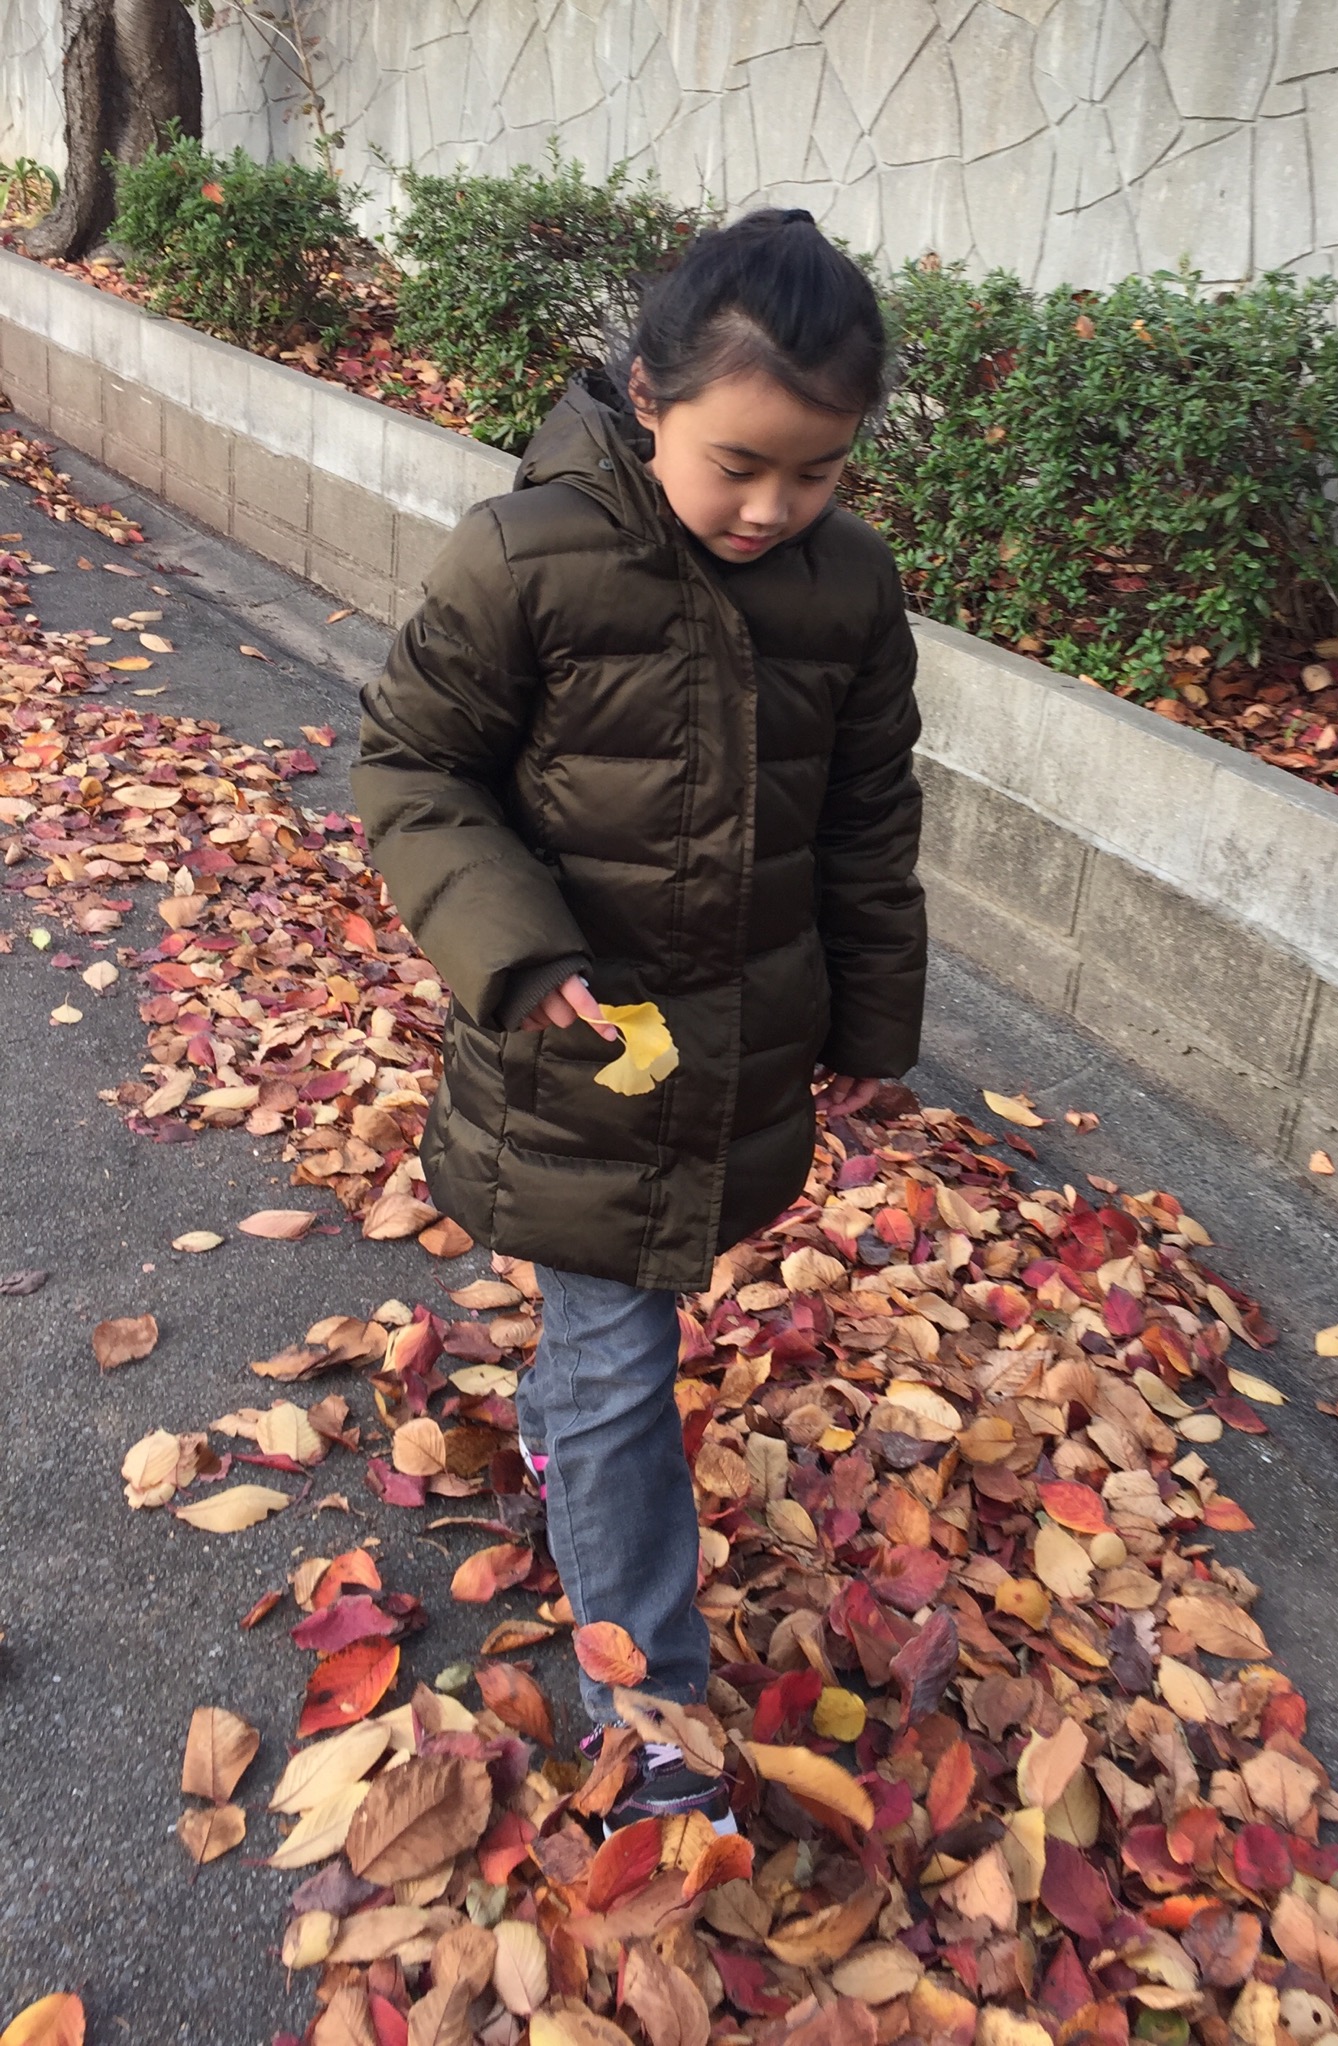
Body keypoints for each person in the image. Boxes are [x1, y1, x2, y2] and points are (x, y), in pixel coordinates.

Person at [353, 208, 926, 1830]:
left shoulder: (849, 587)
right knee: (621, 1365)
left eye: (815, 473)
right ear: (646, 395)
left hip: (737, 1050)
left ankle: (551, 1440)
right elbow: (412, 765)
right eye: (738, 463)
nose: (771, 507)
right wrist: (518, 952)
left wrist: (870, 1030)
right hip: (575, 1051)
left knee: (613, 1340)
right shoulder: (526, 557)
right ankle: (653, 1711)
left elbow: (866, 820)